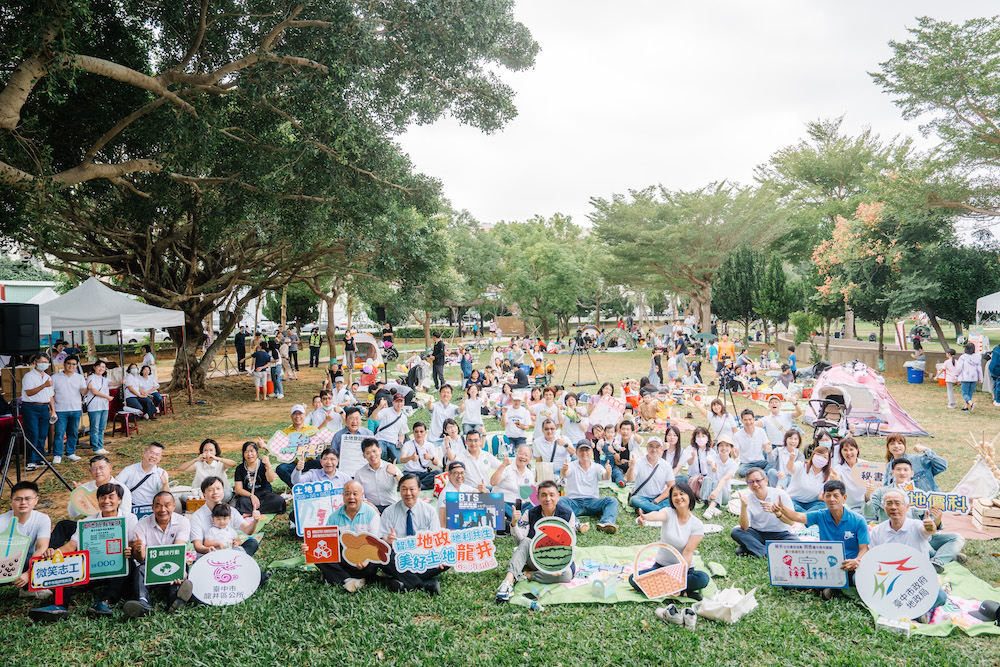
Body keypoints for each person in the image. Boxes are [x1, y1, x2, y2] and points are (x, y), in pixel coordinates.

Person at [773, 480, 869, 600]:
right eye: (828, 496)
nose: (831, 499)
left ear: (844, 498)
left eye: (836, 496)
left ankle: (830, 587)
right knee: (796, 576)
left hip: (848, 564)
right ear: (823, 497)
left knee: (854, 577)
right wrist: (782, 508)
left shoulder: (858, 520)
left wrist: (856, 560)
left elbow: (864, 548)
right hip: (826, 561)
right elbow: (798, 516)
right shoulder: (821, 515)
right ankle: (830, 586)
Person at [866, 458, 966, 571]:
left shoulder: (920, 495)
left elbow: (929, 524)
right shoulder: (882, 492)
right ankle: (947, 555)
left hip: (921, 533)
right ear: (892, 472)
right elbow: (868, 514)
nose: (902, 473)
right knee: (927, 549)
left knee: (957, 538)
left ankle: (937, 561)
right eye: (898, 469)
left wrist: (937, 521)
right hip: (896, 536)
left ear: (911, 473)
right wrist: (868, 496)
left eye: (905, 470)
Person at [58, 483, 138, 616]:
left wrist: (131, 550)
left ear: (119, 500)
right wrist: (54, 553)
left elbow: (133, 544)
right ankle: (60, 606)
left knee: (126, 561)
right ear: (98, 500)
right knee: (69, 562)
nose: (106, 501)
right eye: (102, 497)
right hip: (94, 570)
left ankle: (103, 602)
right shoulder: (87, 522)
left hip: (119, 570)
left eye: (111, 497)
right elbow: (71, 546)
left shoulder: (129, 518)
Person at [868, 489, 950, 621]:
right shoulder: (878, 530)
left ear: (906, 507)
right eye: (889, 503)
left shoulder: (915, 525)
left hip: (917, 579)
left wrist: (931, 527)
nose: (893, 507)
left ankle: (915, 610)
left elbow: (927, 530)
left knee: (941, 596)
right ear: (884, 507)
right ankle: (915, 612)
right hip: (891, 580)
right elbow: (873, 557)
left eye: (897, 503)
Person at [495, 480, 578, 601]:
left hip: (557, 559)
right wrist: (513, 524)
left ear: (558, 496)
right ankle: (508, 581)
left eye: (551, 495)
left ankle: (528, 575)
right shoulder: (530, 513)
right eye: (543, 495)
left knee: (567, 574)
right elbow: (521, 542)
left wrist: (556, 566)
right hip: (534, 557)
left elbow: (568, 546)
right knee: (527, 541)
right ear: (537, 497)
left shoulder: (568, 515)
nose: (548, 499)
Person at [634, 482, 710, 600]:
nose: (678, 497)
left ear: (689, 496)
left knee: (703, 578)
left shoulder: (697, 525)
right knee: (633, 579)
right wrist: (646, 517)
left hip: (682, 570)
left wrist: (680, 577)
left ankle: (669, 587)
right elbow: (657, 514)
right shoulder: (668, 512)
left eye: (682, 494)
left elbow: (688, 553)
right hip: (661, 567)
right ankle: (681, 591)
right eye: (674, 495)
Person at [123, 491, 193, 618]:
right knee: (140, 571)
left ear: (173, 506)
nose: (162, 510)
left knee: (176, 576)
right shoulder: (142, 524)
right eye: (158, 505)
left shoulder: (183, 522)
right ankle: (143, 603)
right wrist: (138, 550)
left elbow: (178, 549)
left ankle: (175, 601)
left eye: (167, 505)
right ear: (152, 507)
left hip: (173, 562)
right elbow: (141, 558)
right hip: (149, 567)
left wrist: (180, 571)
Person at [379, 473, 445, 595]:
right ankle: (423, 585)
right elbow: (381, 541)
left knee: (449, 556)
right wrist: (388, 541)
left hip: (422, 555)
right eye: (404, 489)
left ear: (419, 490)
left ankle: (400, 581)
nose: (408, 493)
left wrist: (437, 554)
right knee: (383, 554)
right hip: (399, 557)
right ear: (399, 490)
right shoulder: (389, 512)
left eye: (412, 489)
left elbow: (436, 539)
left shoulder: (429, 511)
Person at [311, 480, 382, 592]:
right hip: (344, 559)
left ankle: (335, 576)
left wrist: (366, 560)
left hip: (365, 561)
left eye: (355, 494)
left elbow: (375, 543)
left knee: (376, 560)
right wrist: (309, 548)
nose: (351, 497)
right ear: (343, 496)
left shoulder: (372, 514)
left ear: (362, 495)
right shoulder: (334, 517)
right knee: (319, 556)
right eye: (347, 494)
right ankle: (348, 580)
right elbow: (327, 543)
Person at [729, 467, 798, 557]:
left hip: (780, 534)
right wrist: (744, 507)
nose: (755, 484)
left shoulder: (781, 495)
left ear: (766, 481)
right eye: (751, 482)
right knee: (736, 531)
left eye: (758, 481)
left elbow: (791, 522)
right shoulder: (747, 498)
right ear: (747, 484)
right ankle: (767, 553)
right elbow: (744, 527)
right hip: (759, 534)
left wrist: (777, 513)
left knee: (796, 543)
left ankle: (757, 550)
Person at [2, 481, 51, 600]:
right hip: (4, 561)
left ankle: (29, 588)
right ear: (11, 501)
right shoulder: (2, 521)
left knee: (47, 555)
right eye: (18, 499)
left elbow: (41, 547)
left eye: (28, 498)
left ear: (36, 500)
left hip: (28, 560)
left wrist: (29, 574)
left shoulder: (42, 519)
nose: (23, 502)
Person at [190, 476, 263, 557]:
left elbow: (248, 531)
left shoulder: (231, 510)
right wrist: (209, 549)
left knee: (252, 543)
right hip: (209, 556)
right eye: (210, 490)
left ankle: (237, 560)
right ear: (204, 495)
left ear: (223, 491)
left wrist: (255, 521)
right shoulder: (196, 517)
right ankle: (240, 560)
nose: (215, 492)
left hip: (229, 551)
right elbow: (198, 546)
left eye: (218, 489)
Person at [561, 441, 618, 533]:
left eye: (587, 450)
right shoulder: (571, 465)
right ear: (576, 452)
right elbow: (565, 474)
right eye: (581, 450)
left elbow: (604, 477)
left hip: (592, 502)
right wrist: (564, 470)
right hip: (574, 502)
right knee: (561, 501)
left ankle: (606, 523)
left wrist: (608, 473)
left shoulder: (597, 467)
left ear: (591, 452)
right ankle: (575, 524)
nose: (584, 453)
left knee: (612, 500)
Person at [176, 438, 237, 508]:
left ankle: (205, 505)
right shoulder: (198, 464)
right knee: (184, 496)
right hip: (202, 495)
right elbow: (181, 468)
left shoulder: (220, 464)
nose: (208, 453)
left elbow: (233, 464)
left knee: (228, 494)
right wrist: (196, 459)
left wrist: (217, 458)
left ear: (215, 452)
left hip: (217, 494)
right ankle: (212, 505)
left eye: (211, 450)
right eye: (205, 450)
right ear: (202, 452)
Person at [49, 354, 88, 464]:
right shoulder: (55, 377)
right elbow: (50, 394)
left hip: (75, 409)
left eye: (74, 364)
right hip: (60, 410)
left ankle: (70, 453)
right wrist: (53, 410)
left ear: (76, 366)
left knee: (73, 432)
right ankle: (57, 454)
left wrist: (88, 388)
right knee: (59, 433)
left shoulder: (79, 377)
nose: (71, 366)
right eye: (69, 363)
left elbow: (83, 392)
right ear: (64, 364)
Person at [21, 353, 56, 471]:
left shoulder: (48, 377)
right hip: (30, 407)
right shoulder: (29, 376)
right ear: (35, 363)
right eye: (42, 362)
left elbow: (50, 395)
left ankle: (40, 458)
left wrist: (53, 411)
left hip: (44, 407)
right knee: (33, 433)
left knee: (42, 434)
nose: (44, 365)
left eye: (46, 362)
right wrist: (44, 385)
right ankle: (30, 461)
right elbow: (29, 392)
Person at [233, 440, 286, 515]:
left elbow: (271, 479)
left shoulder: (263, 464)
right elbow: (238, 489)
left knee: (279, 501)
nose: (249, 454)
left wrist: (268, 465)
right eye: (246, 452)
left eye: (252, 451)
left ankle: (251, 511)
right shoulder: (240, 468)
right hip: (248, 496)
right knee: (241, 502)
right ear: (243, 454)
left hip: (265, 495)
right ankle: (259, 510)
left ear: (257, 453)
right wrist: (251, 496)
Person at [275, 404, 322, 486]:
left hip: (310, 462)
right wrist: (265, 447)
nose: (297, 416)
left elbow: (323, 444)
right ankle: (296, 487)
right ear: (291, 416)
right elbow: (277, 448)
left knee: (322, 463)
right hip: (294, 463)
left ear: (304, 415)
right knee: (281, 468)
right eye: (295, 414)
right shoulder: (285, 432)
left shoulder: (313, 430)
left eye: (300, 414)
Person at [627, 436, 674, 513]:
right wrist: (631, 468)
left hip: (659, 498)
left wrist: (656, 501)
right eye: (651, 446)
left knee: (673, 499)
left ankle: (647, 509)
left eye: (657, 447)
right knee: (634, 500)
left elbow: (671, 486)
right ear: (647, 448)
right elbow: (630, 479)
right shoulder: (639, 462)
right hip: (642, 497)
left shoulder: (666, 465)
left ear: (661, 449)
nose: (654, 449)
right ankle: (660, 511)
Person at [882, 434, 946, 492]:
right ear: (888, 447)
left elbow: (942, 466)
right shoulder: (889, 466)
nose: (896, 446)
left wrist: (925, 449)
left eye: (899, 443)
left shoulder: (918, 460)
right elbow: (886, 487)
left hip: (928, 501)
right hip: (904, 502)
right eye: (892, 443)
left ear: (905, 446)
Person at [354, 438, 402, 513]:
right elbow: (358, 495)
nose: (372, 455)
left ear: (380, 451)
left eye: (374, 451)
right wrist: (368, 505)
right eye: (368, 453)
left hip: (392, 507)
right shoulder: (359, 474)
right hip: (370, 509)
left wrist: (396, 474)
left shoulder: (391, 467)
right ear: (364, 456)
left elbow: (405, 485)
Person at [117, 442, 170, 509]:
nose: (153, 456)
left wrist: (165, 483)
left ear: (160, 458)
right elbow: (116, 483)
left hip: (152, 507)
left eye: (157, 455)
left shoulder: (162, 473)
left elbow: (165, 494)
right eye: (151, 453)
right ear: (144, 453)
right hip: (132, 506)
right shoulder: (130, 469)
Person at [491, 445, 535, 522]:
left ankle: (516, 520)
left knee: (536, 504)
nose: (523, 457)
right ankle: (519, 521)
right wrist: (503, 465)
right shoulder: (507, 467)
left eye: (526, 455)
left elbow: (529, 496)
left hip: (518, 505)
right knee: (500, 503)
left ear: (530, 459)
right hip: (503, 502)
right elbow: (493, 482)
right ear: (516, 455)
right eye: (521, 454)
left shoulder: (529, 474)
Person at [785, 444, 832, 512]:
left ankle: (803, 516)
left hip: (812, 503)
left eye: (824, 457)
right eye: (818, 455)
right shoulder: (802, 465)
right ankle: (808, 516)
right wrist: (791, 460)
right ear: (813, 455)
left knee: (823, 506)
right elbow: (791, 469)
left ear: (827, 462)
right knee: (791, 506)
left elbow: (820, 497)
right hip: (794, 500)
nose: (821, 458)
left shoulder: (827, 476)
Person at [833, 436, 875, 513]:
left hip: (869, 504)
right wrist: (835, 480)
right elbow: (837, 480)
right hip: (851, 507)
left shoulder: (866, 465)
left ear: (857, 451)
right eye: (845, 450)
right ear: (841, 452)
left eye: (851, 449)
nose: (848, 453)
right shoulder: (839, 468)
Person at [700, 435, 737, 519]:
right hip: (709, 493)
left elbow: (724, 479)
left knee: (717, 482)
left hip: (724, 493)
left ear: (731, 448)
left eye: (727, 445)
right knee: (707, 479)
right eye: (721, 445)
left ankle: (710, 508)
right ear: (718, 447)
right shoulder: (712, 457)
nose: (724, 448)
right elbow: (709, 461)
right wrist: (713, 465)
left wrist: (716, 491)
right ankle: (713, 508)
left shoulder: (733, 464)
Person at [399, 422, 441, 490]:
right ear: (413, 433)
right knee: (399, 476)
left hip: (423, 473)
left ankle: (415, 486)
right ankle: (420, 486)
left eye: (421, 431)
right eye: (416, 432)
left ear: (425, 433)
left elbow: (436, 463)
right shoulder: (408, 444)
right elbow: (401, 459)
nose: (419, 434)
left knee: (438, 473)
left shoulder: (430, 445)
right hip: (409, 473)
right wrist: (410, 458)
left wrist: (431, 457)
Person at [84, 360, 113, 456]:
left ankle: (100, 445)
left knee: (102, 427)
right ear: (94, 367)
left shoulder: (105, 379)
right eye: (99, 366)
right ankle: (96, 447)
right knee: (95, 428)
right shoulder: (91, 378)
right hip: (94, 406)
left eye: (103, 367)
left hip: (104, 406)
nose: (101, 369)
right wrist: (107, 397)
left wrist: (122, 381)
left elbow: (112, 384)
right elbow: (94, 391)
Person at [437, 461, 478, 527]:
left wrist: (484, 490)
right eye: (456, 473)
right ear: (449, 475)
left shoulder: (462, 486)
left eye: (462, 473)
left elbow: (480, 492)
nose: (459, 476)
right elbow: (442, 523)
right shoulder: (446, 494)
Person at [733, 408, 771, 477]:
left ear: (754, 419)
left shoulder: (761, 431)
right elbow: (735, 454)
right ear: (741, 421)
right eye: (745, 420)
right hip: (746, 463)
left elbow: (766, 447)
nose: (748, 422)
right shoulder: (737, 435)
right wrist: (732, 452)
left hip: (760, 461)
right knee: (742, 472)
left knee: (773, 463)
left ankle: (760, 473)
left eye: (750, 419)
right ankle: (761, 473)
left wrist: (768, 448)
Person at [374, 393, 409, 462]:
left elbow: (402, 433)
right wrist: (380, 406)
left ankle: (389, 456)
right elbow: (374, 417)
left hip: (393, 441)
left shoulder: (404, 417)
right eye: (397, 402)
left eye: (401, 402)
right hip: (381, 438)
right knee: (380, 456)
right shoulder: (386, 411)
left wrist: (400, 442)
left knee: (399, 460)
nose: (399, 404)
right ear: (393, 402)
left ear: (404, 402)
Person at [955, 341, 982, 411]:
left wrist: (956, 375)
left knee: (964, 393)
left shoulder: (963, 357)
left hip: (965, 377)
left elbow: (959, 368)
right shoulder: (977, 357)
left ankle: (971, 404)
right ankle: (965, 407)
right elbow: (979, 369)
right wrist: (981, 378)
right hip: (974, 377)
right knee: (970, 393)